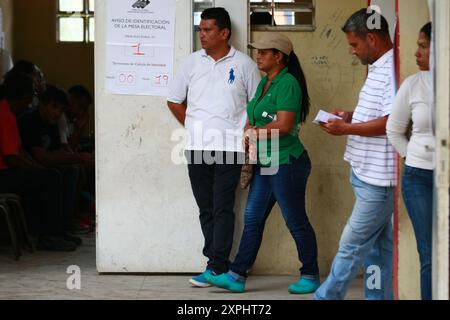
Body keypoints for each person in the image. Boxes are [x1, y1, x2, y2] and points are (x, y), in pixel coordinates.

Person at [204, 33, 320, 294]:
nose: (259, 55)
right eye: (258, 51)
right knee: (253, 218)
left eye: (265, 52)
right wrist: (248, 129)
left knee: (295, 220)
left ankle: (310, 274)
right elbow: (252, 113)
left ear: (279, 56)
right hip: (266, 163)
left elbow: (284, 125)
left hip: (287, 163)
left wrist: (253, 133)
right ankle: (236, 276)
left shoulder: (288, 83)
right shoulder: (266, 83)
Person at [167, 7, 261, 287]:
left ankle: (217, 265)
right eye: (200, 29)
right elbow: (173, 99)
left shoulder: (245, 65)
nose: (202, 34)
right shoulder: (192, 63)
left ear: (224, 33)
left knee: (222, 207)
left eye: (208, 30)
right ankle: (216, 263)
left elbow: (256, 107)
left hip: (231, 148)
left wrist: (248, 140)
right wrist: (194, 126)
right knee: (206, 207)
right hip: (197, 147)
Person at [316, 8, 396, 300]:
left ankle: (326, 297)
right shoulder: (378, 67)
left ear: (372, 38)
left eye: (354, 44)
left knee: (352, 244)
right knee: (378, 247)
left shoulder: (391, 71)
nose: (351, 51)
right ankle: (378, 297)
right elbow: (379, 113)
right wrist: (350, 115)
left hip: (379, 180)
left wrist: (347, 128)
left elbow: (391, 122)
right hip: (365, 172)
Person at [0, 72, 78, 251]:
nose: (30, 103)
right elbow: (11, 158)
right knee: (50, 178)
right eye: (29, 98)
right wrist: (36, 169)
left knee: (52, 174)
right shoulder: (4, 114)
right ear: (21, 98)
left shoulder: (9, 113)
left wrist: (36, 168)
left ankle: (57, 231)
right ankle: (49, 236)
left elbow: (20, 152)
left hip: (8, 170)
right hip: (3, 173)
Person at [386, 22, 434, 300]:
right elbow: (394, 130)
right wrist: (412, 156)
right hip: (419, 179)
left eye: (423, 46)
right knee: (428, 253)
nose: (416, 52)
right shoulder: (413, 84)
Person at [18, 85, 94, 235]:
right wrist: (78, 157)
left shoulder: (51, 122)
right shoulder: (31, 120)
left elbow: (57, 151)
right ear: (42, 104)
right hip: (26, 166)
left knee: (73, 169)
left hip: (41, 164)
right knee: (57, 174)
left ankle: (66, 221)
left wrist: (76, 159)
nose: (58, 113)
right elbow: (43, 158)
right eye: (54, 107)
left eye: (61, 109)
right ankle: (55, 229)